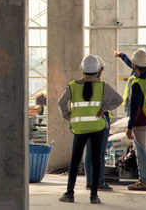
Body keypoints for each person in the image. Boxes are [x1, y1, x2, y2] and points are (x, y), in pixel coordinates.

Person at [58, 55, 123, 204]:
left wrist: (68, 116)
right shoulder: (103, 86)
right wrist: (104, 108)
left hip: (79, 128)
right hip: (97, 127)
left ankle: (69, 194)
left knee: (74, 161)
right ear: (99, 71)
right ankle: (94, 196)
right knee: (96, 159)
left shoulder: (72, 86)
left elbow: (61, 102)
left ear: (82, 69)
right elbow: (119, 99)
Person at [113, 48, 146, 191]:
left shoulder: (136, 84)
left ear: (135, 66)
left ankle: (145, 181)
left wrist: (129, 127)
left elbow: (134, 108)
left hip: (140, 122)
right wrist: (121, 56)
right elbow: (134, 64)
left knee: (141, 152)